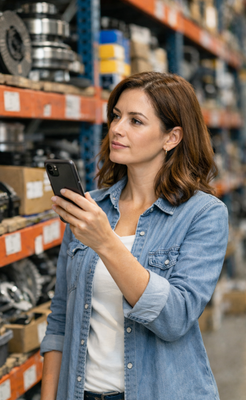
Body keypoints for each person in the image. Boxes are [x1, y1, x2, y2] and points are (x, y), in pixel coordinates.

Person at [40, 71, 228, 400]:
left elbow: (176, 317)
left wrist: (106, 242)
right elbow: (60, 319)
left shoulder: (203, 214)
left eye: (135, 121)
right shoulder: (91, 208)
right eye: (116, 116)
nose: (117, 129)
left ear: (172, 137)